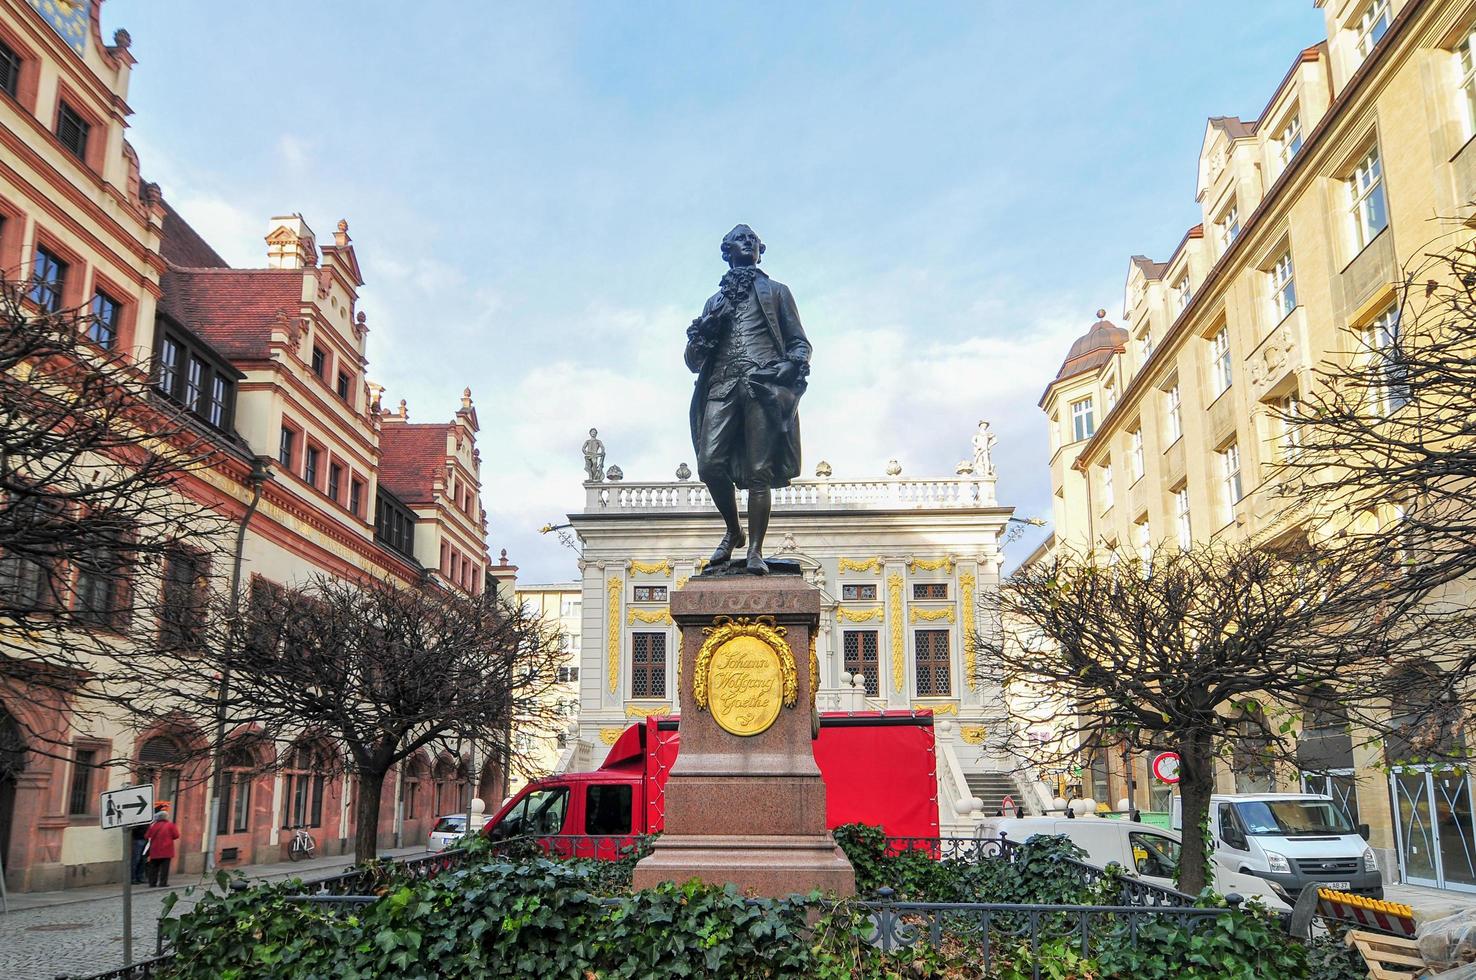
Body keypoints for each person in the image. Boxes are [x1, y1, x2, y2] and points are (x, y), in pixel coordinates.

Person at [684, 224, 812, 573]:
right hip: (721, 386)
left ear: (760, 250)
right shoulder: (714, 302)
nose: (748, 243)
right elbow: (693, 360)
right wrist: (705, 331)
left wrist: (789, 365)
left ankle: (754, 549)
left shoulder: (777, 292)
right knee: (709, 464)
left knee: (759, 471)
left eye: (753, 240)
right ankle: (733, 529)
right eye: (740, 239)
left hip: (761, 387)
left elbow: (800, 342)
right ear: (726, 251)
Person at [144, 806, 180, 887]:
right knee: (165, 868)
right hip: (167, 849)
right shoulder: (170, 825)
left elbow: (147, 836)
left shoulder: (153, 826)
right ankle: (163, 882)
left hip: (155, 849)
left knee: (154, 867)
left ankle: (152, 883)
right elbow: (176, 835)